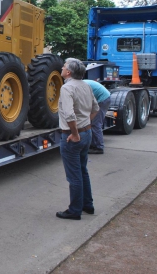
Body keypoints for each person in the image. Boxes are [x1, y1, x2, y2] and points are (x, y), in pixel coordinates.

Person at [56, 58, 99, 220]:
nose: (62, 67)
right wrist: (86, 124)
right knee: (82, 171)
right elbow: (96, 108)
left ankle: (74, 210)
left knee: (74, 175)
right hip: (86, 133)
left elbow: (69, 114)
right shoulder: (86, 86)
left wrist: (74, 133)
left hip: (73, 136)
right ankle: (87, 205)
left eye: (64, 66)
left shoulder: (67, 88)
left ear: (69, 72)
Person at [83, 79, 111, 154]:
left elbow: (86, 102)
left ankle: (99, 147)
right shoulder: (81, 84)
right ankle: (93, 144)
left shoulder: (82, 87)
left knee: (96, 124)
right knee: (92, 122)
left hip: (102, 100)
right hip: (102, 98)